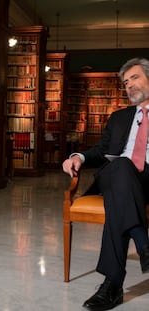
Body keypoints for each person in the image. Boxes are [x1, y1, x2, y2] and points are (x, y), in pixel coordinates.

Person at [62, 57, 149, 310]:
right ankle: (143, 244)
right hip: (118, 174)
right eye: (125, 82)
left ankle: (112, 285)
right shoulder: (119, 117)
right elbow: (101, 151)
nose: (129, 85)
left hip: (146, 179)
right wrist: (77, 156)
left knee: (117, 204)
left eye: (134, 78)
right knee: (120, 165)